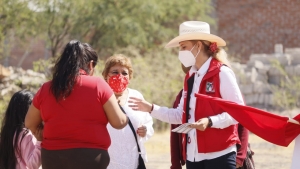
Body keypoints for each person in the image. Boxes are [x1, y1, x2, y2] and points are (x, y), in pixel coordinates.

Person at [129, 21, 245, 169]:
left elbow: (238, 113)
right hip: (193, 158)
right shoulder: (190, 77)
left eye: (184, 47)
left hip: (220, 155)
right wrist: (151, 108)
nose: (180, 52)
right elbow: (180, 115)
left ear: (198, 46)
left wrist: (210, 122)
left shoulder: (222, 73)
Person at [25, 40, 128, 169]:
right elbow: (118, 122)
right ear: (90, 65)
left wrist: (41, 133)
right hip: (91, 159)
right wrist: (122, 110)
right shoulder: (98, 85)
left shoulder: (47, 88)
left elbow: (29, 123)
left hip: (52, 158)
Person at [102, 54, 154, 169]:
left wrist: (145, 130)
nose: (119, 76)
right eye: (115, 72)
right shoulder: (100, 98)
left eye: (124, 73)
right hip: (108, 162)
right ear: (106, 75)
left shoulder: (136, 96)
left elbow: (148, 123)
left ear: (130, 77)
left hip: (133, 161)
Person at [0, 90, 42, 169]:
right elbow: (32, 165)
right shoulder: (25, 135)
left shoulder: (5, 134)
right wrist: (39, 142)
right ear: (27, 110)